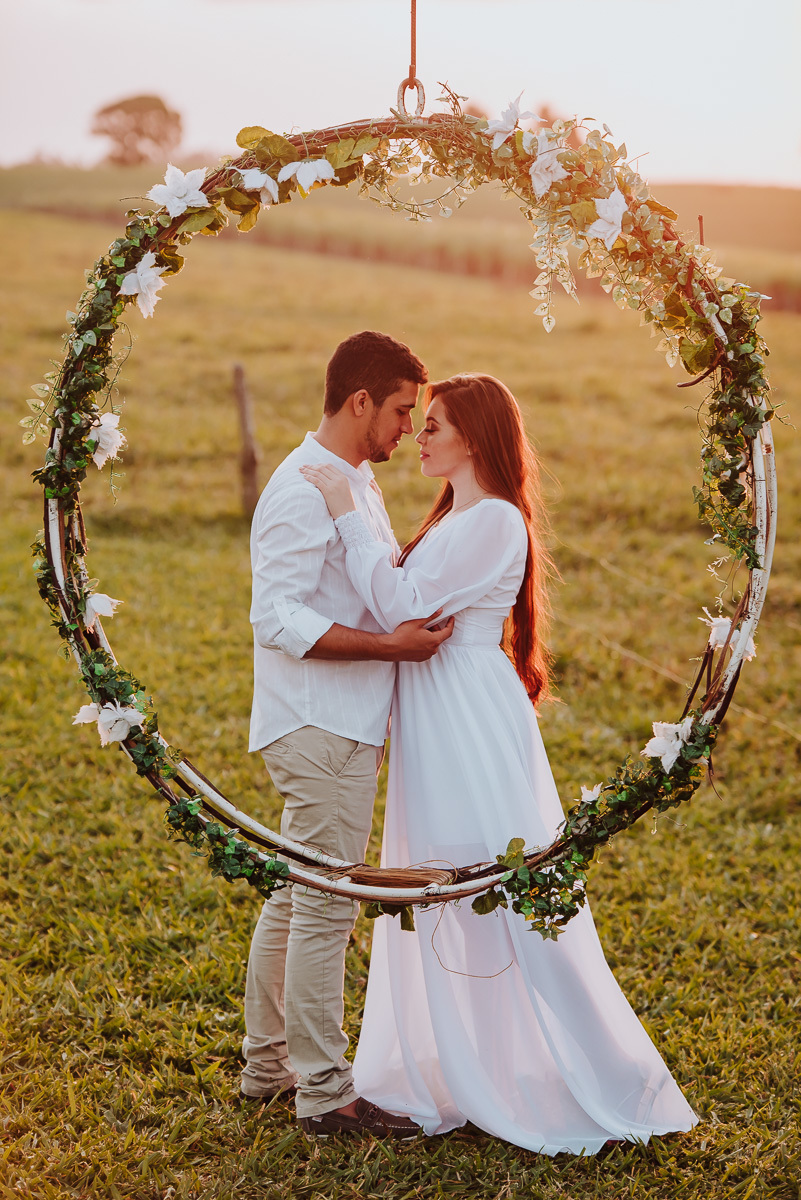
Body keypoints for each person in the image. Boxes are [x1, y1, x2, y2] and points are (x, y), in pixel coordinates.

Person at [300, 372, 698, 1155]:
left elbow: (397, 606)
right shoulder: (460, 515)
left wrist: (348, 512)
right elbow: (404, 596)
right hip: (440, 713)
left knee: (487, 878)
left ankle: (562, 1064)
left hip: (466, 719)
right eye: (419, 423)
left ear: (474, 439)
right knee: (446, 878)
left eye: (435, 425)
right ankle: (461, 1058)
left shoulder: (494, 522)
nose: (420, 435)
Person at [241, 330, 454, 1139]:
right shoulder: (303, 487)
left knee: (298, 901)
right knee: (328, 907)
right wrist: (389, 647)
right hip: (319, 723)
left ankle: (267, 1068)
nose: (409, 427)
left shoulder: (353, 479)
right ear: (360, 400)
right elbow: (277, 616)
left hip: (335, 720)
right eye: (402, 411)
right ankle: (325, 1095)